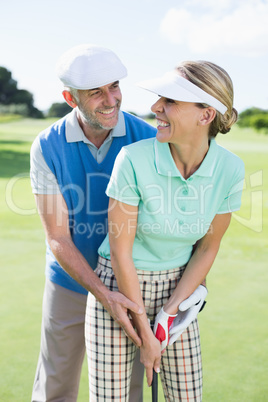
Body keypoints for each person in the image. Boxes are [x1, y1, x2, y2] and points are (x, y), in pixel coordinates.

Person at [85, 60, 245, 401]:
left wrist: (170, 312)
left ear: (206, 115)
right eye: (160, 98)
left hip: (179, 287)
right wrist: (145, 329)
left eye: (170, 100)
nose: (156, 107)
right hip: (119, 289)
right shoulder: (132, 159)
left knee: (187, 396)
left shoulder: (230, 169)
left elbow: (207, 247)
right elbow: (120, 250)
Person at [30, 44, 158, 402]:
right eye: (96, 92)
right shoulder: (47, 146)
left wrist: (126, 293)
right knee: (55, 383)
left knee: (127, 389)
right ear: (71, 98)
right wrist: (103, 294)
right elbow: (57, 236)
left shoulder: (148, 139)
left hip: (132, 284)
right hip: (69, 280)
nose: (111, 99)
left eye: (114, 86)